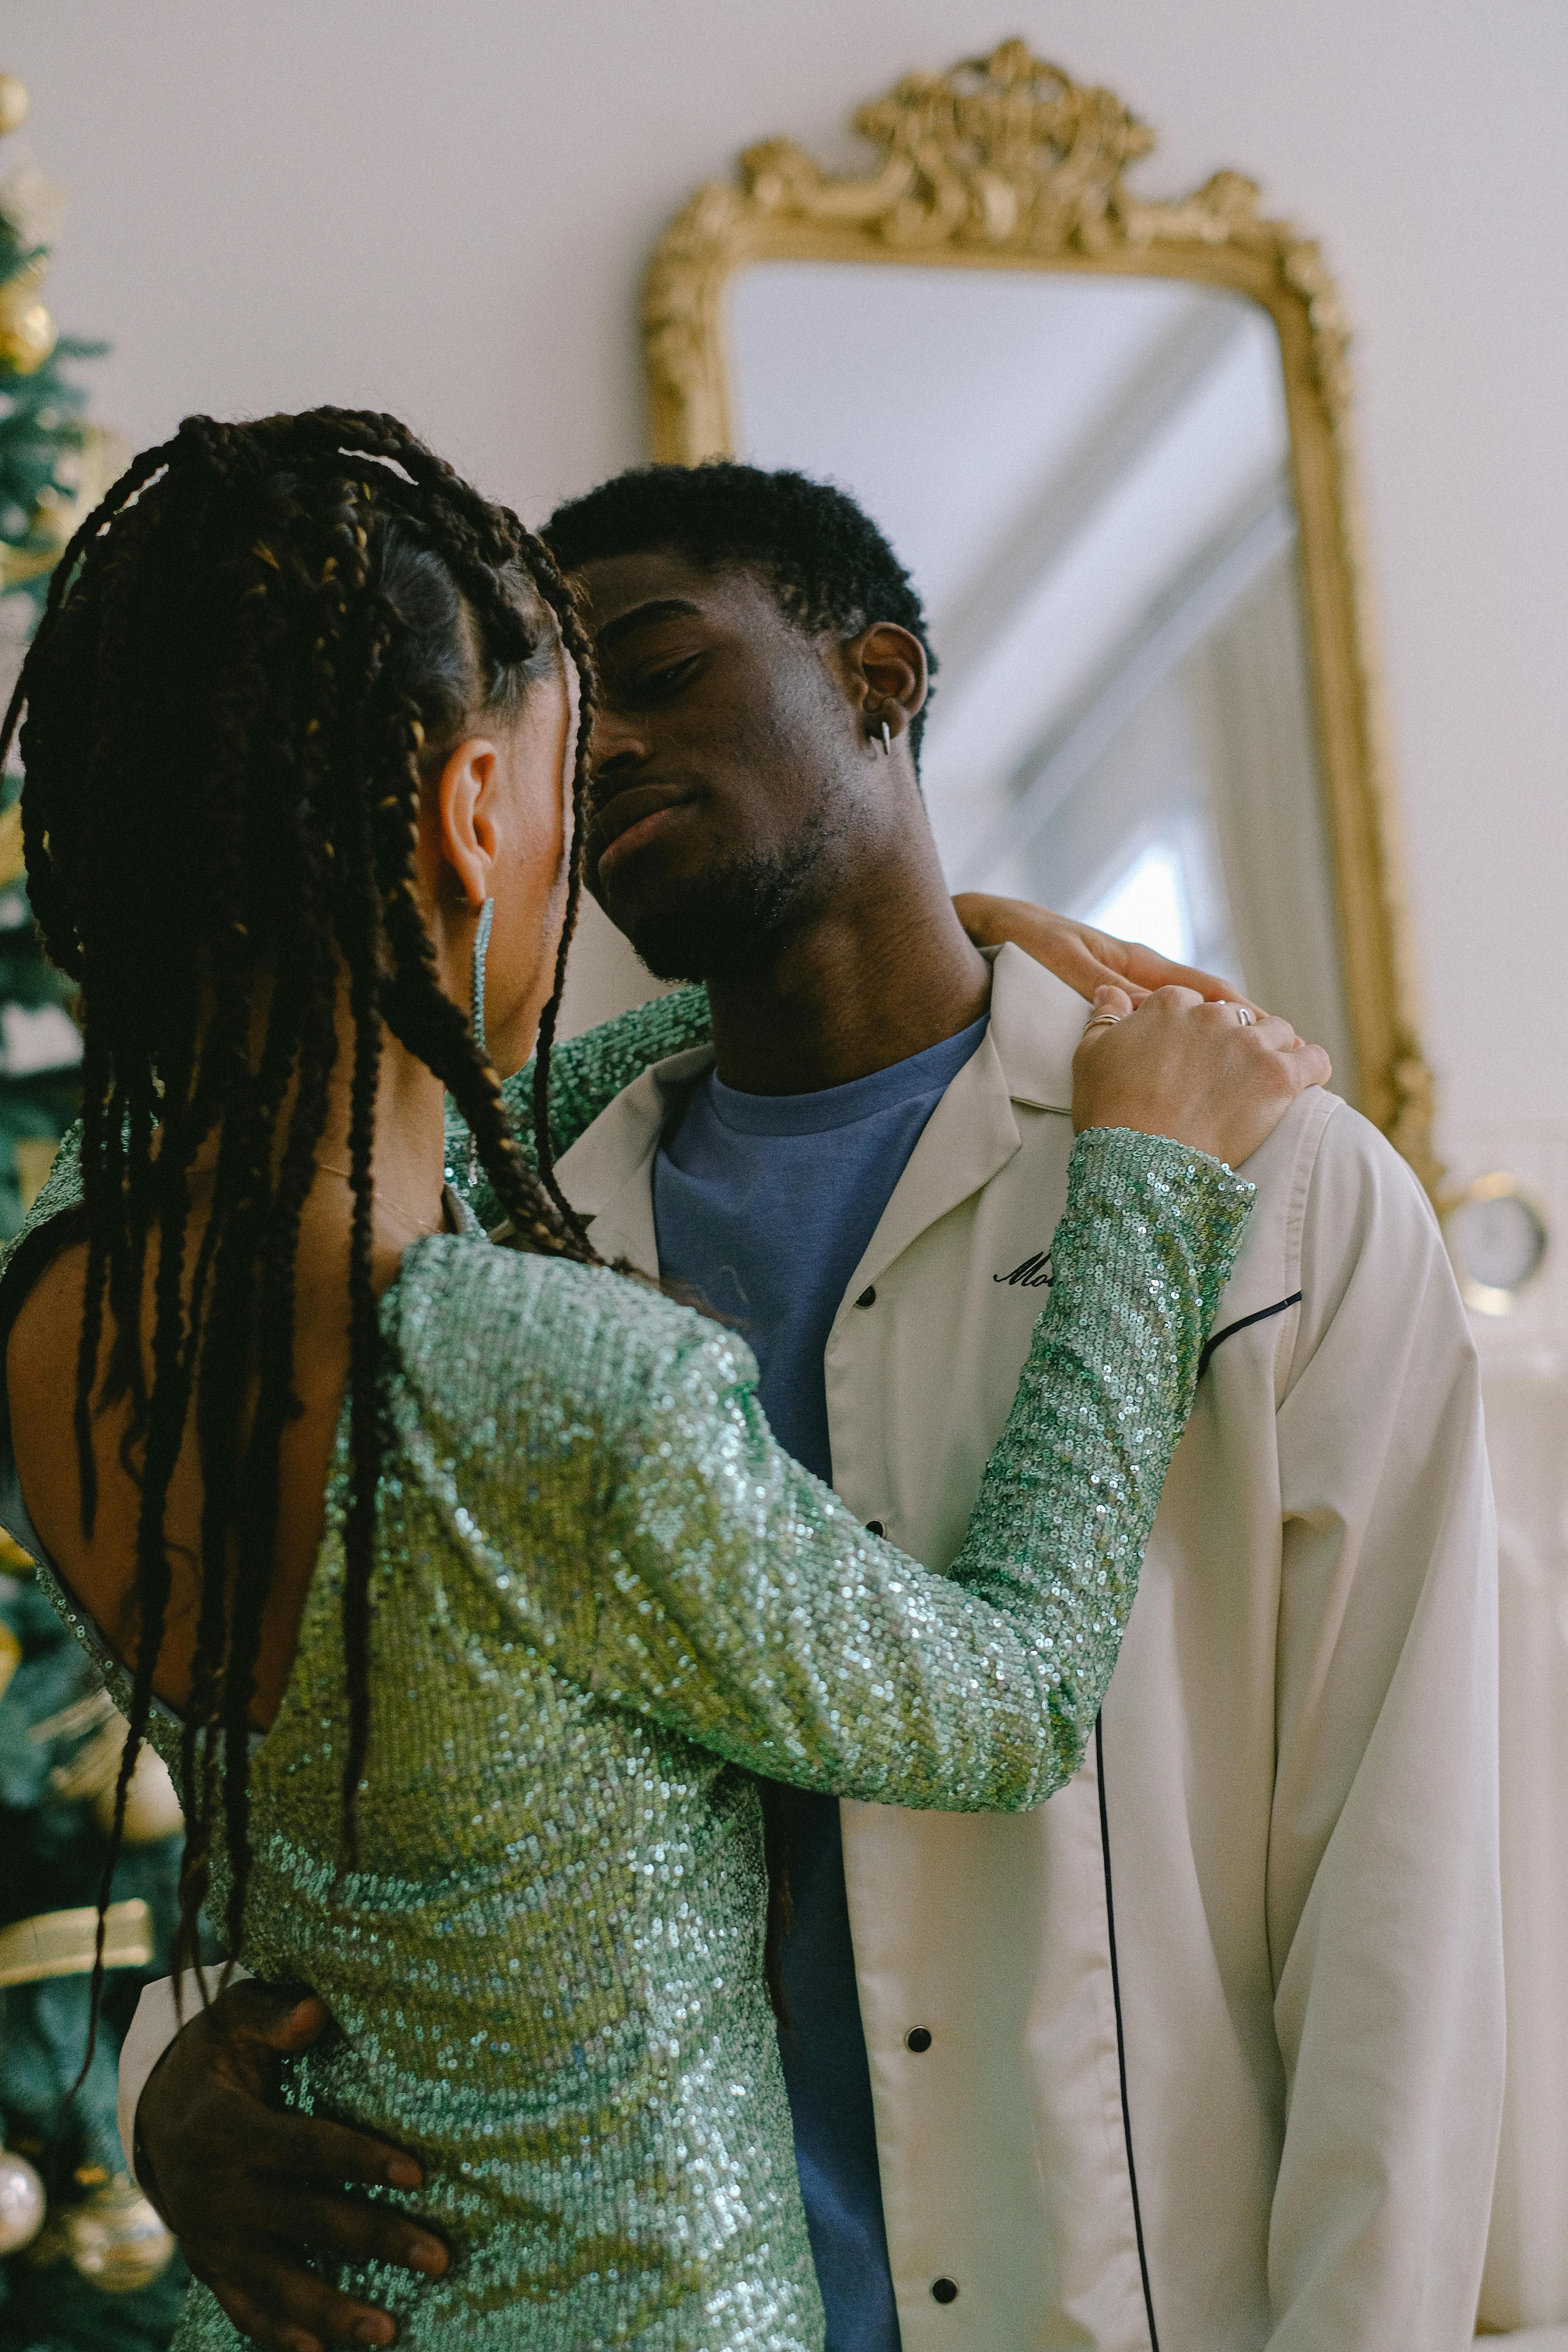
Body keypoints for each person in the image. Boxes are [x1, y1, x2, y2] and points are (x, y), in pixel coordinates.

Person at [130, 460, 1502, 2352]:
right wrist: (167, 2066)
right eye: (563, 719)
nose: (602, 751)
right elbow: (286, 1758)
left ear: (877, 676)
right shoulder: (475, 1255)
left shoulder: (1277, 1189)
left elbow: (1403, 1878)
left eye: (663, 669)